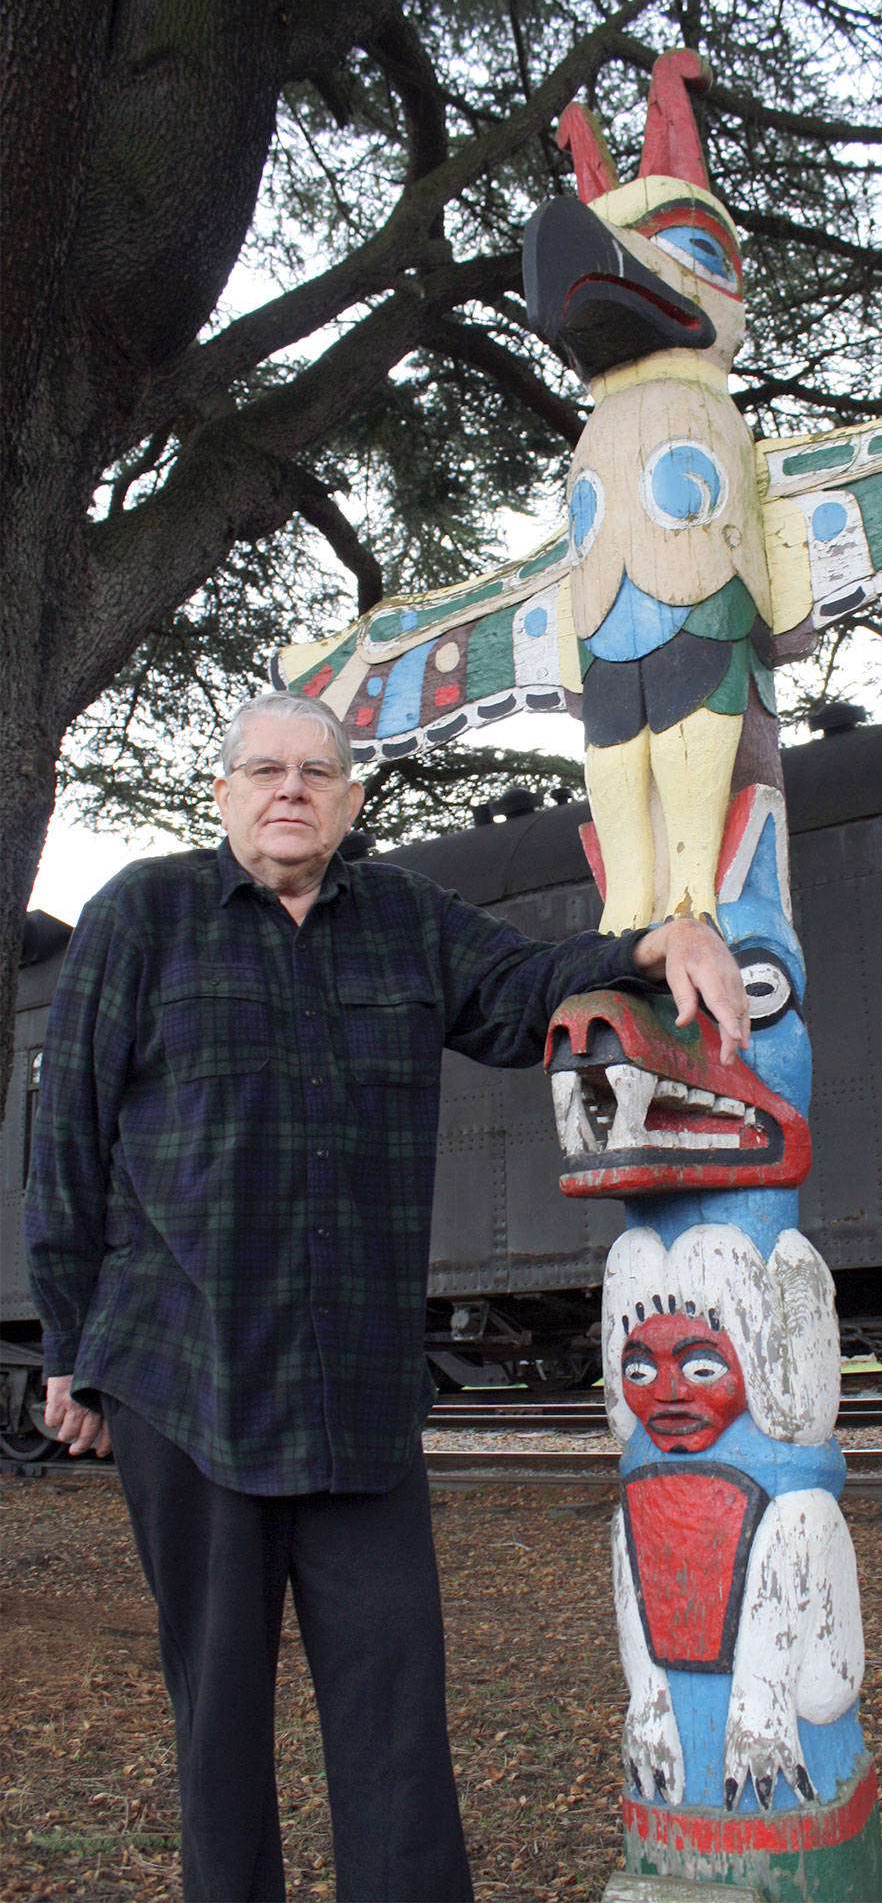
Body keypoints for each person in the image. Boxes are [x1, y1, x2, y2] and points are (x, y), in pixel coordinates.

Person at [24, 690, 750, 1903]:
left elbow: (523, 989)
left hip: (356, 1387)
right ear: (224, 795)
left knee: (396, 1711)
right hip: (181, 1374)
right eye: (263, 769)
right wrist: (68, 1349)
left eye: (317, 771)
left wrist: (654, 942)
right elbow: (69, 1140)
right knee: (216, 1718)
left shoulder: (407, 919)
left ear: (352, 801)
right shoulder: (142, 915)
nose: (289, 789)